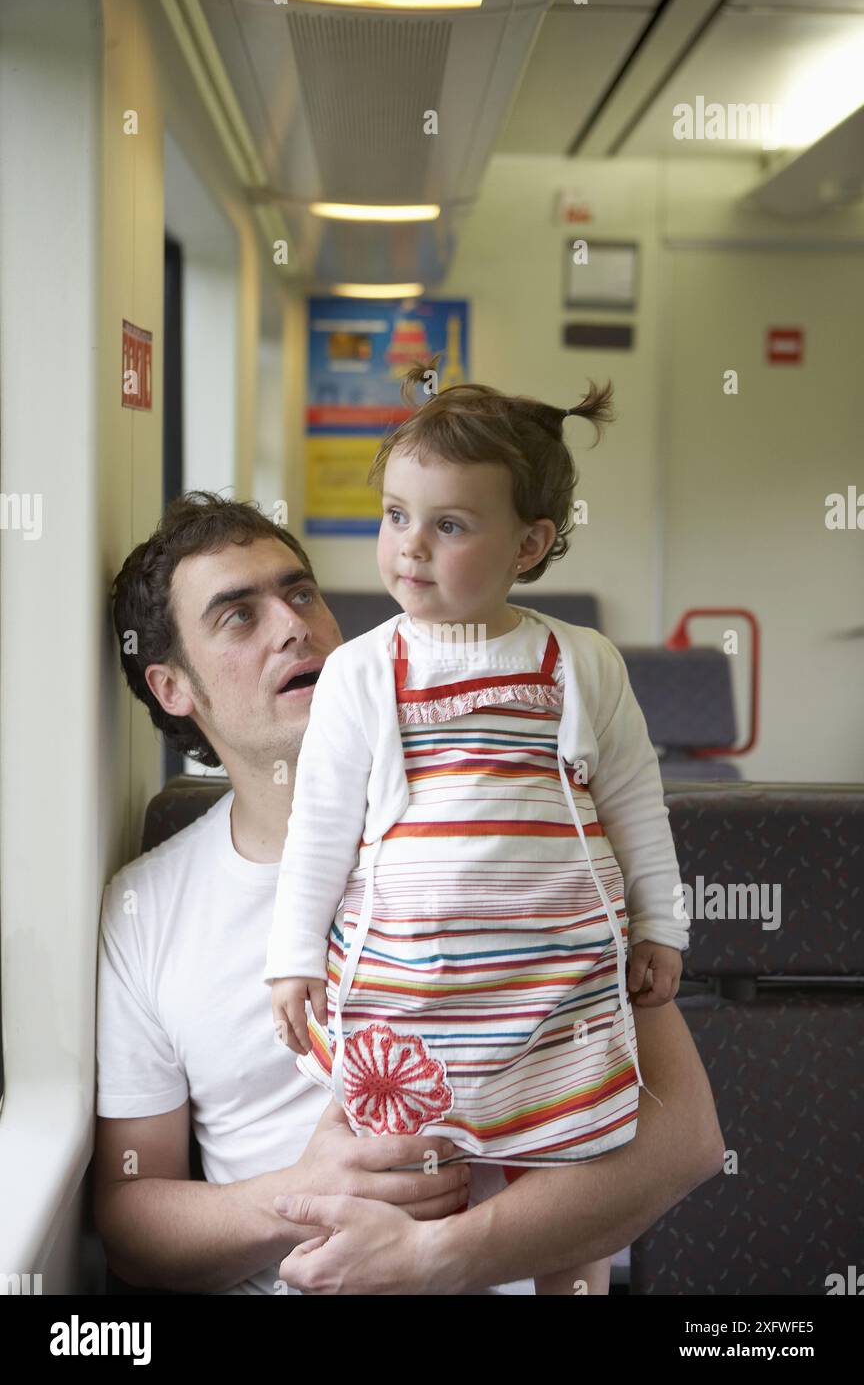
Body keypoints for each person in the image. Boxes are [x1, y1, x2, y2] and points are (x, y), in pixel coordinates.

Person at [93, 490, 724, 1296]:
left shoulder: (513, 826)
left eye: (300, 592)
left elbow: (687, 1138)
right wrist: (294, 1201)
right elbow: (130, 1218)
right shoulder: (145, 909)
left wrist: (438, 1258)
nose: (293, 625)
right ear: (172, 687)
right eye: (238, 616)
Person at [267, 367, 692, 1295]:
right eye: (395, 516)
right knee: (408, 1197)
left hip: (558, 996)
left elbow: (635, 803)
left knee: (567, 1197)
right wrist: (292, 952)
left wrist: (663, 925)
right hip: (405, 1001)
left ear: (529, 544)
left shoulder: (577, 664)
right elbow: (322, 829)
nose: (410, 547)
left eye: (449, 525)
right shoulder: (362, 672)